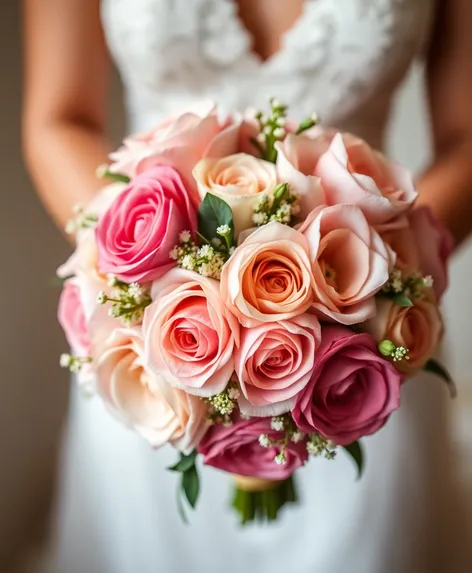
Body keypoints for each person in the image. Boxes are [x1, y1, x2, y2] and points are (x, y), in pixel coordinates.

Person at [22, 1, 472, 572]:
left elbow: (466, 139)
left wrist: (369, 288)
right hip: (154, 354)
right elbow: (59, 118)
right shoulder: (150, 329)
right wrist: (151, 280)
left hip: (359, 356)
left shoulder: (362, 324)